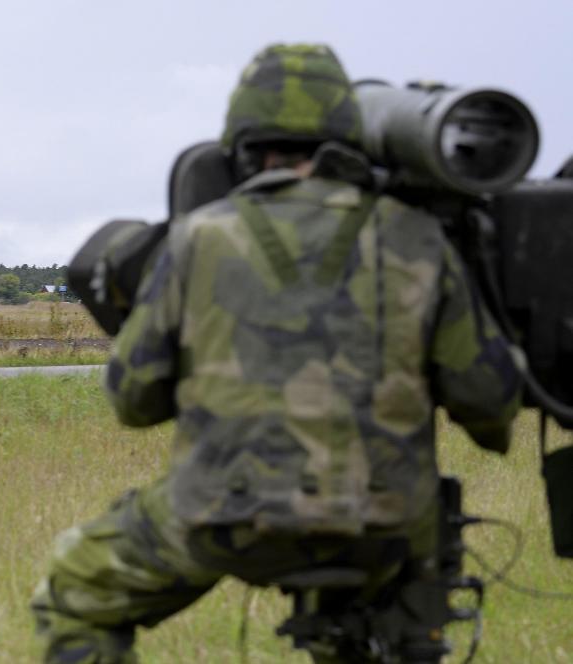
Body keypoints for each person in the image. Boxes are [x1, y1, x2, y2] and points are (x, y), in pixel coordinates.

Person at [30, 43, 523, 663]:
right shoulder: (414, 237)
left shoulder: (199, 238)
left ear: (241, 141)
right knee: (398, 631)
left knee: (78, 592)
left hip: (223, 517)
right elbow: (489, 403)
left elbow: (134, 400)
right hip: (386, 526)